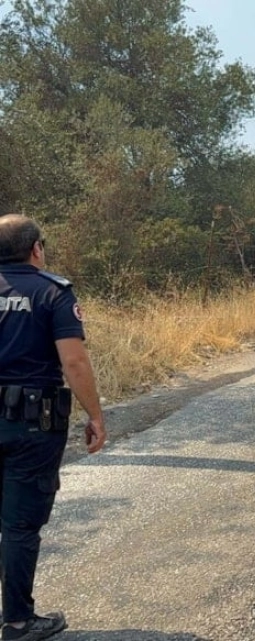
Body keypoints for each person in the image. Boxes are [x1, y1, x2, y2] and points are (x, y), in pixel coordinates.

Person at [0, 214, 106, 641]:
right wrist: (95, 415)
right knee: (20, 524)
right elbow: (74, 361)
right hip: (31, 426)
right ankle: (19, 621)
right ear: (36, 249)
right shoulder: (52, 291)